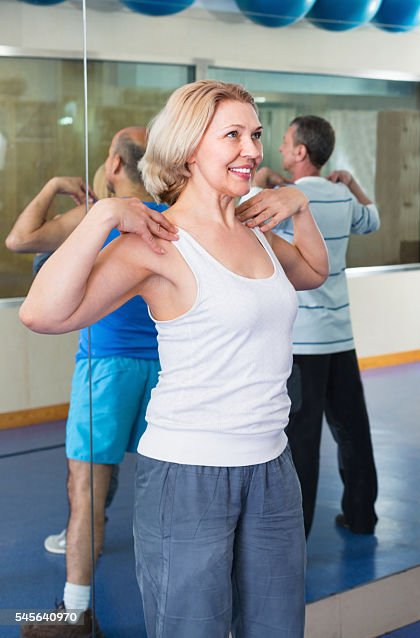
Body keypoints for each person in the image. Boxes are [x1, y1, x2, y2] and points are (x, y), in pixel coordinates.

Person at [18, 80, 327, 637]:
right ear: (189, 147)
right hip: (188, 474)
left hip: (272, 468)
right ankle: (72, 604)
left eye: (255, 134)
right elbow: (41, 313)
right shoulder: (159, 239)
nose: (253, 150)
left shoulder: (255, 227)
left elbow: (311, 271)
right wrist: (104, 216)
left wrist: (299, 206)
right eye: (232, 135)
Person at [7, 128, 164, 636]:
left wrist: (55, 185)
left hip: (107, 369)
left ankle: (74, 614)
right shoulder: (174, 216)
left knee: (86, 490)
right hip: (169, 369)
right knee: (172, 495)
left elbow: (19, 239)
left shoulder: (98, 218)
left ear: (115, 165)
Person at [254, 114, 381, 537]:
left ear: (300, 153)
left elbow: (242, 210)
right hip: (340, 338)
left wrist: (263, 180)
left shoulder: (282, 199)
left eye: (285, 143)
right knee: (353, 430)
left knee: (302, 442)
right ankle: (362, 515)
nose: (279, 149)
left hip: (303, 344)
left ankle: (297, 530)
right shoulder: (341, 198)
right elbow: (373, 219)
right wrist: (352, 184)